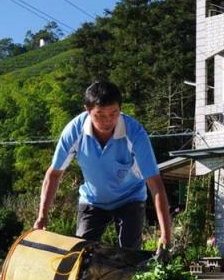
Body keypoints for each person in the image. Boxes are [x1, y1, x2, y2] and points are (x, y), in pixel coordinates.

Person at [33, 80, 172, 252]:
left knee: (130, 256)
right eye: (100, 115)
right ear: (87, 110)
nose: (108, 121)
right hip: (93, 200)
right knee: (81, 255)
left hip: (130, 198)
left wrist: (166, 234)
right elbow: (54, 174)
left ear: (120, 108)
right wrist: (42, 216)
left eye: (114, 113)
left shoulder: (135, 133)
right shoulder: (74, 131)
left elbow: (155, 183)